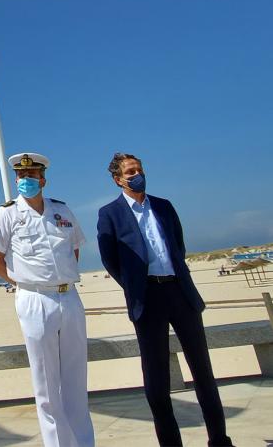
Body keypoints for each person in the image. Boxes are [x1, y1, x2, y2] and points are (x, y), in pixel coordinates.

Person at [97, 153, 233, 447]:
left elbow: (178, 245)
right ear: (118, 179)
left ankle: (220, 440)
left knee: (203, 372)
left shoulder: (164, 206)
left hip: (180, 293)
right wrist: (135, 286)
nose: (137, 175)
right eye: (130, 171)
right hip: (147, 299)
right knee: (157, 381)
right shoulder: (110, 214)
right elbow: (110, 259)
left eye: (139, 169)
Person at [0, 152, 94, 447]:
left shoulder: (62, 210)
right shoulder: (5, 215)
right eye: (21, 177)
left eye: (31, 176)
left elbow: (73, 250)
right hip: (34, 300)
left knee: (76, 379)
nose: (26, 181)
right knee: (47, 385)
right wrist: (22, 282)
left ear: (43, 179)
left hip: (69, 297)